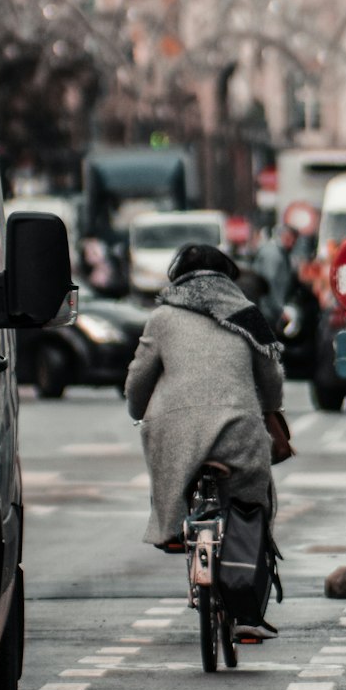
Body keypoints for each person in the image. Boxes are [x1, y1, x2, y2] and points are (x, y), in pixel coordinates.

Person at [124, 242, 285, 618]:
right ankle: (248, 605)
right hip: (238, 430)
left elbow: (139, 379)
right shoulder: (247, 314)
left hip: (175, 429)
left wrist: (138, 411)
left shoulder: (162, 317)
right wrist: (271, 408)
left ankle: (172, 526)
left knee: (169, 461)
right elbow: (271, 375)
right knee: (250, 505)